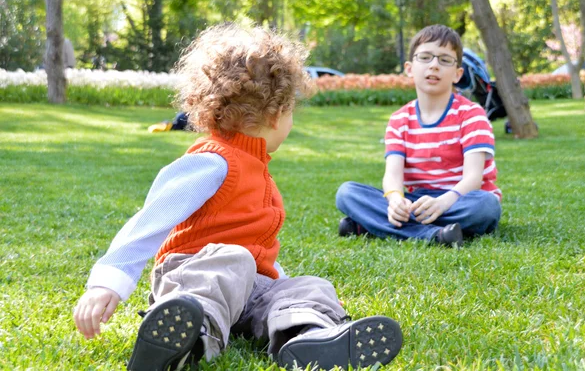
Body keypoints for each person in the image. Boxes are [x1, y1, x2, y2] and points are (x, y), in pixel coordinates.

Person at [73, 23, 403, 371]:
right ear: (276, 113)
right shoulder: (212, 162)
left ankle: (309, 337)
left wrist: (280, 281)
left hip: (246, 287)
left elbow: (255, 246)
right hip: (194, 278)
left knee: (307, 286)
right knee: (234, 260)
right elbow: (149, 222)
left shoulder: (256, 166)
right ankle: (186, 339)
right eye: (291, 109)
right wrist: (107, 283)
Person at [336, 24, 502, 247]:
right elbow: (392, 175)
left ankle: (369, 225)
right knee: (347, 193)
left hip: (460, 199)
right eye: (425, 57)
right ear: (409, 68)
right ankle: (435, 235)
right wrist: (395, 200)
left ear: (457, 73)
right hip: (417, 201)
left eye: (444, 60)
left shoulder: (472, 115)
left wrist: (443, 203)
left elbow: (473, 178)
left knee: (487, 206)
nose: (434, 65)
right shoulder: (399, 119)